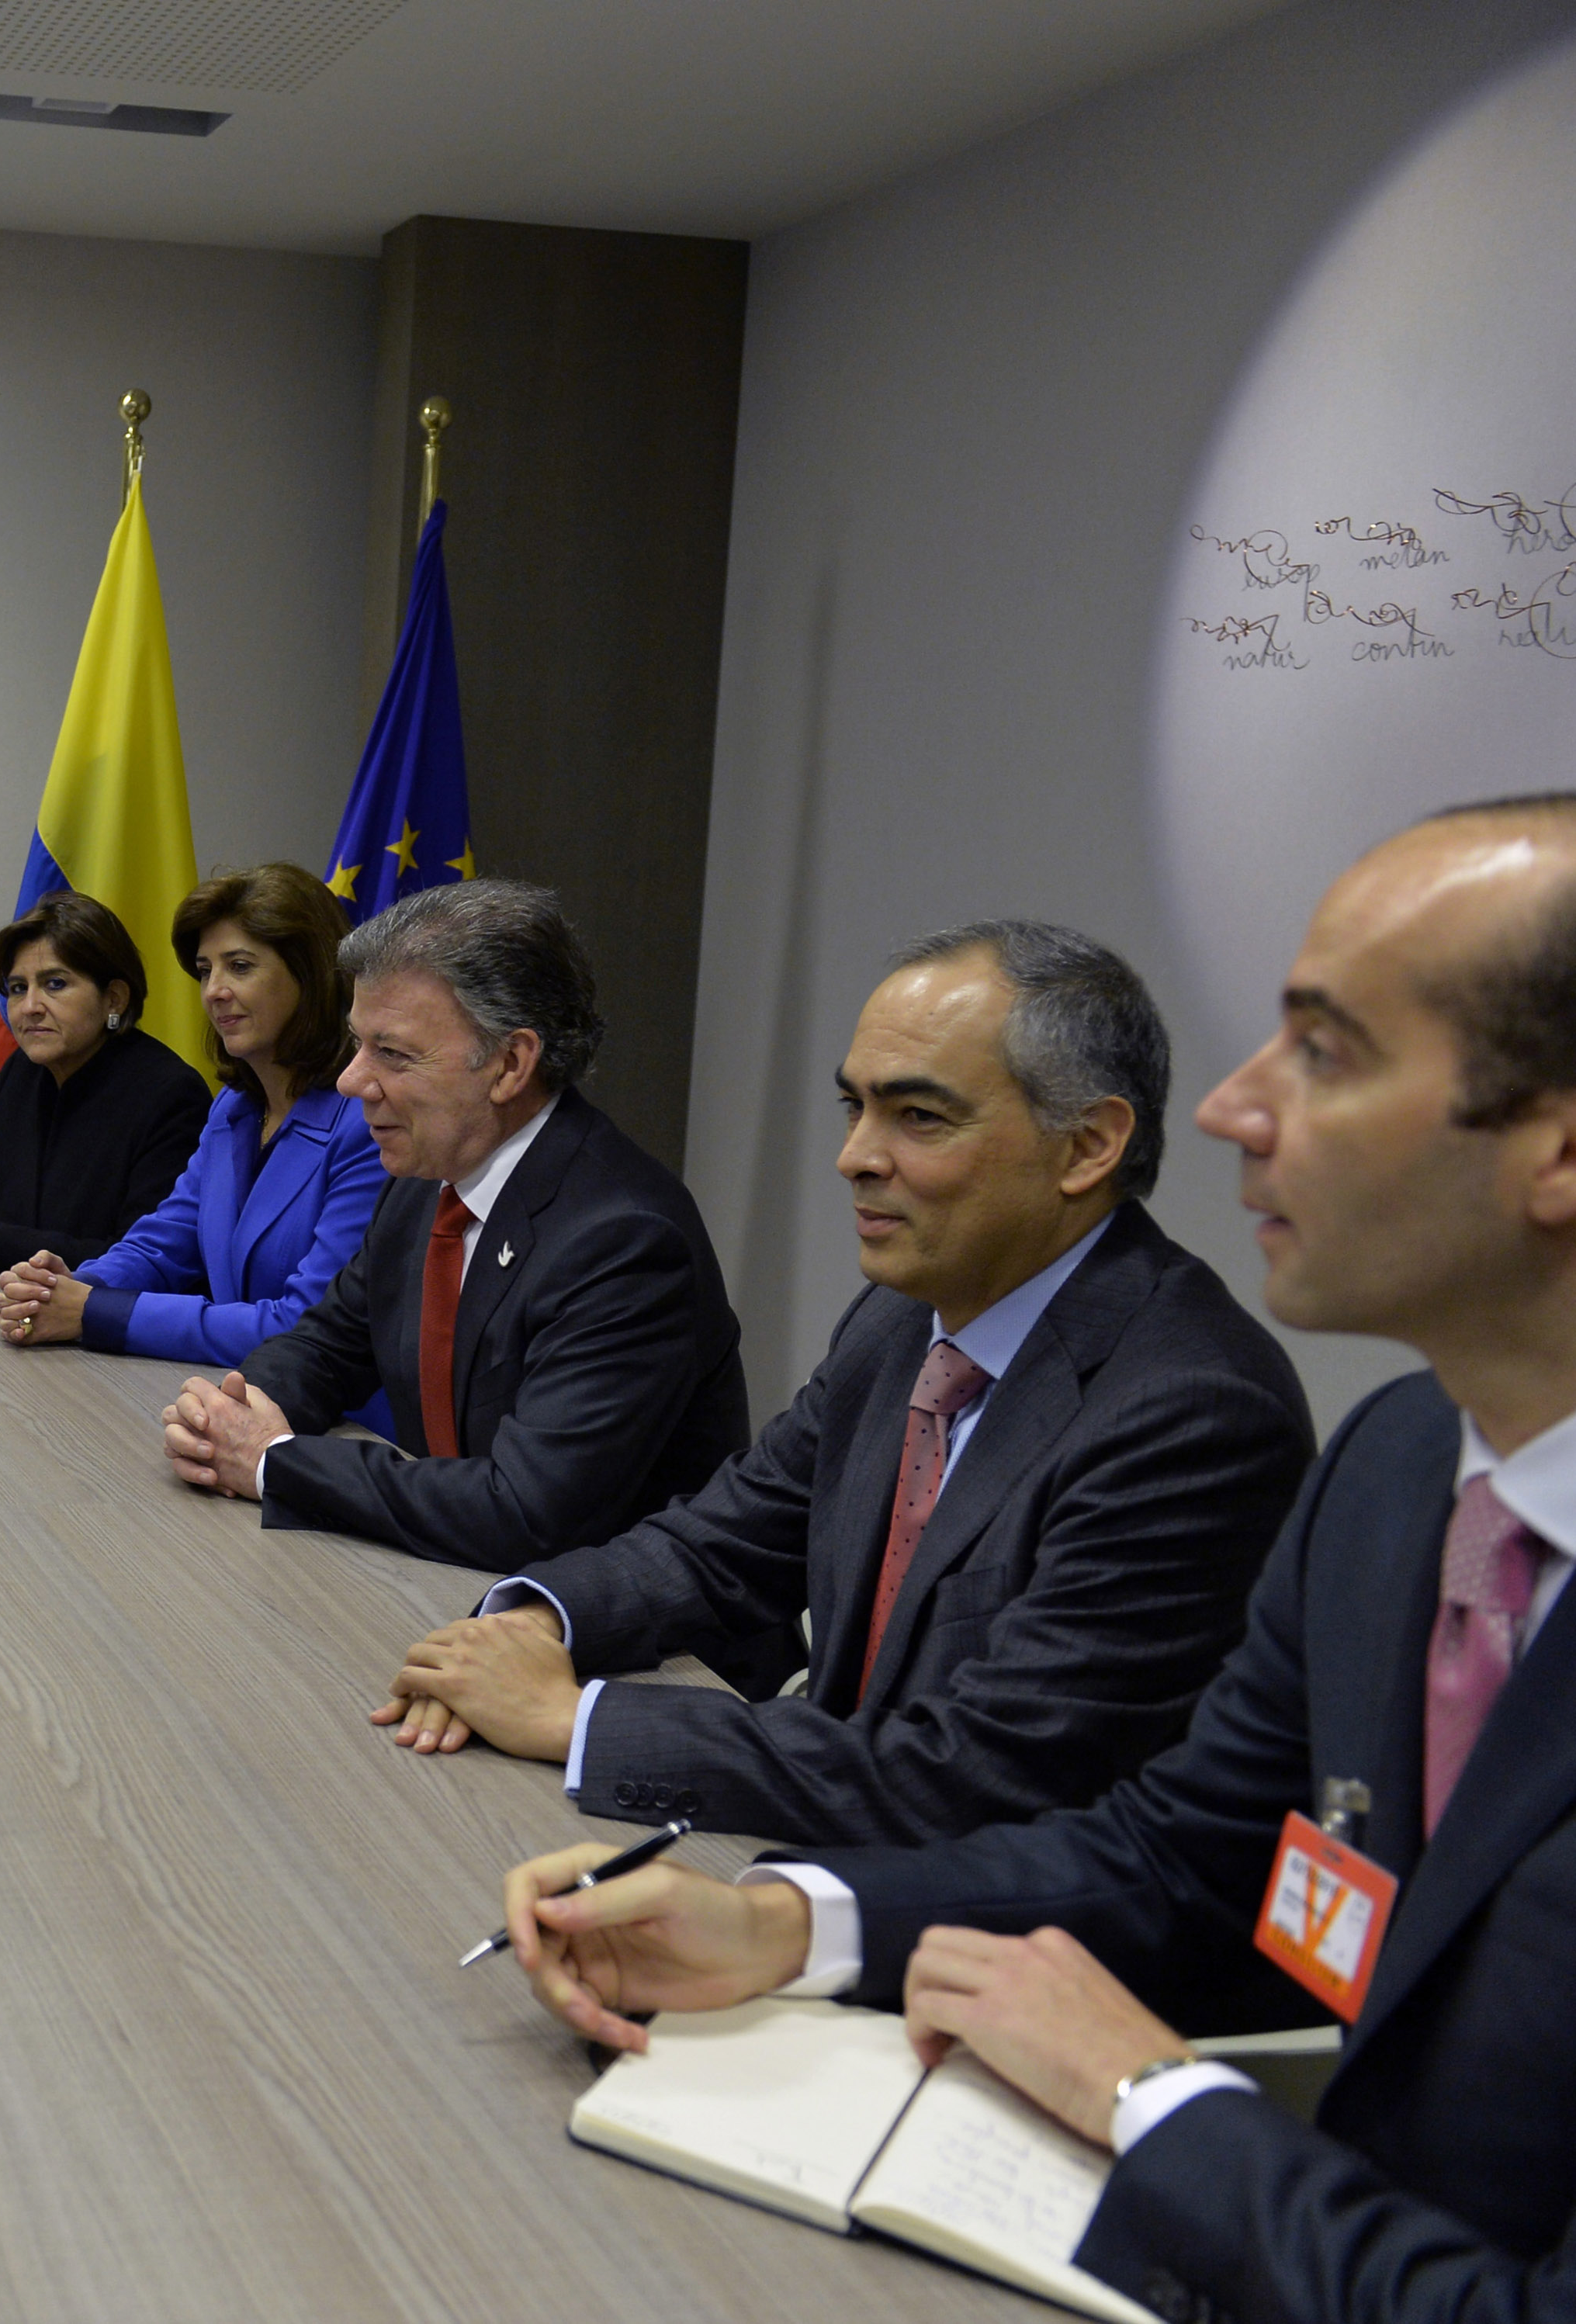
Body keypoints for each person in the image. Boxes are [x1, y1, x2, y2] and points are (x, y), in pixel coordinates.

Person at [497, 798, 1576, 2324]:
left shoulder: (1213, 1401)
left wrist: (1150, 2094)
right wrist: (786, 1924)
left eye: (1326, 1052)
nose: (1232, 1108)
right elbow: (1175, 1851)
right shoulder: (1401, 1461)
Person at [375, 923, 1314, 1845]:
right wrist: (538, 1620)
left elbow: (979, 1771)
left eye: (919, 1116)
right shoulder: (903, 1318)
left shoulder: (1192, 1410)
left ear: (1087, 1146)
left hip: (997, 1944)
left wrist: (578, 1721)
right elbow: (720, 1544)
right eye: (854, 1107)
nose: (855, 1156)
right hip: (833, 1849)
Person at [161, 881, 751, 1582]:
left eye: (393, 1053)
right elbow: (325, 1345)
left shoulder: (624, 1240)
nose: (351, 1081)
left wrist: (271, 1461)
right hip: (450, 1579)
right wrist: (231, 1413)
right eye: (357, 1043)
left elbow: (526, 1513)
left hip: (627, 1649)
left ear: (509, 1064)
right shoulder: (422, 1183)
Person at [0, 866, 391, 1431]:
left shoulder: (367, 1122)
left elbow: (303, 1324)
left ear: (311, 974)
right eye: (205, 970)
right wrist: (72, 1284)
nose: (214, 991)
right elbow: (164, 1243)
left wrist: (92, 1311)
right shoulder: (233, 1107)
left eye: (241, 966)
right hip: (233, 1407)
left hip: (342, 1431)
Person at [0, 890, 212, 1273]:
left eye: (55, 984)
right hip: (8, 1309)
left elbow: (139, 1262)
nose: (30, 1007)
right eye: (17, 988)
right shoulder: (23, 1073)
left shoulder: (170, 1095)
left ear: (114, 999)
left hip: (96, 1325)